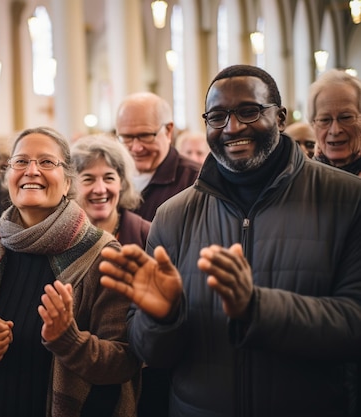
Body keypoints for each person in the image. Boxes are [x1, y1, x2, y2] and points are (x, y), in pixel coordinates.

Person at [99, 64, 361, 417]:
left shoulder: (346, 198)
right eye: (217, 116)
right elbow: (152, 354)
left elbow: (353, 324)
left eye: (249, 111)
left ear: (280, 117)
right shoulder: (174, 215)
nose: (232, 127)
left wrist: (257, 308)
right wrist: (161, 317)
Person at [0, 126, 140, 417]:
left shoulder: (103, 255)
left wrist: (69, 340)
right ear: (8, 176)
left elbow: (125, 361)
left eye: (46, 162)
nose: (31, 170)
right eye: (20, 161)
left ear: (68, 182)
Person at [115, 92, 201, 221]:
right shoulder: (110, 177)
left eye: (145, 136)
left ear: (168, 131)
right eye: (127, 137)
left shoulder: (195, 181)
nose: (136, 147)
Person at [71, 134, 149, 246]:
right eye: (88, 179)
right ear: (71, 185)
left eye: (109, 178)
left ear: (122, 182)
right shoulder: (60, 239)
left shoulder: (147, 235)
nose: (100, 189)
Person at [307, 68, 361, 176]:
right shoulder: (301, 179)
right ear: (313, 126)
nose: (335, 130)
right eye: (325, 120)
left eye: (346, 117)